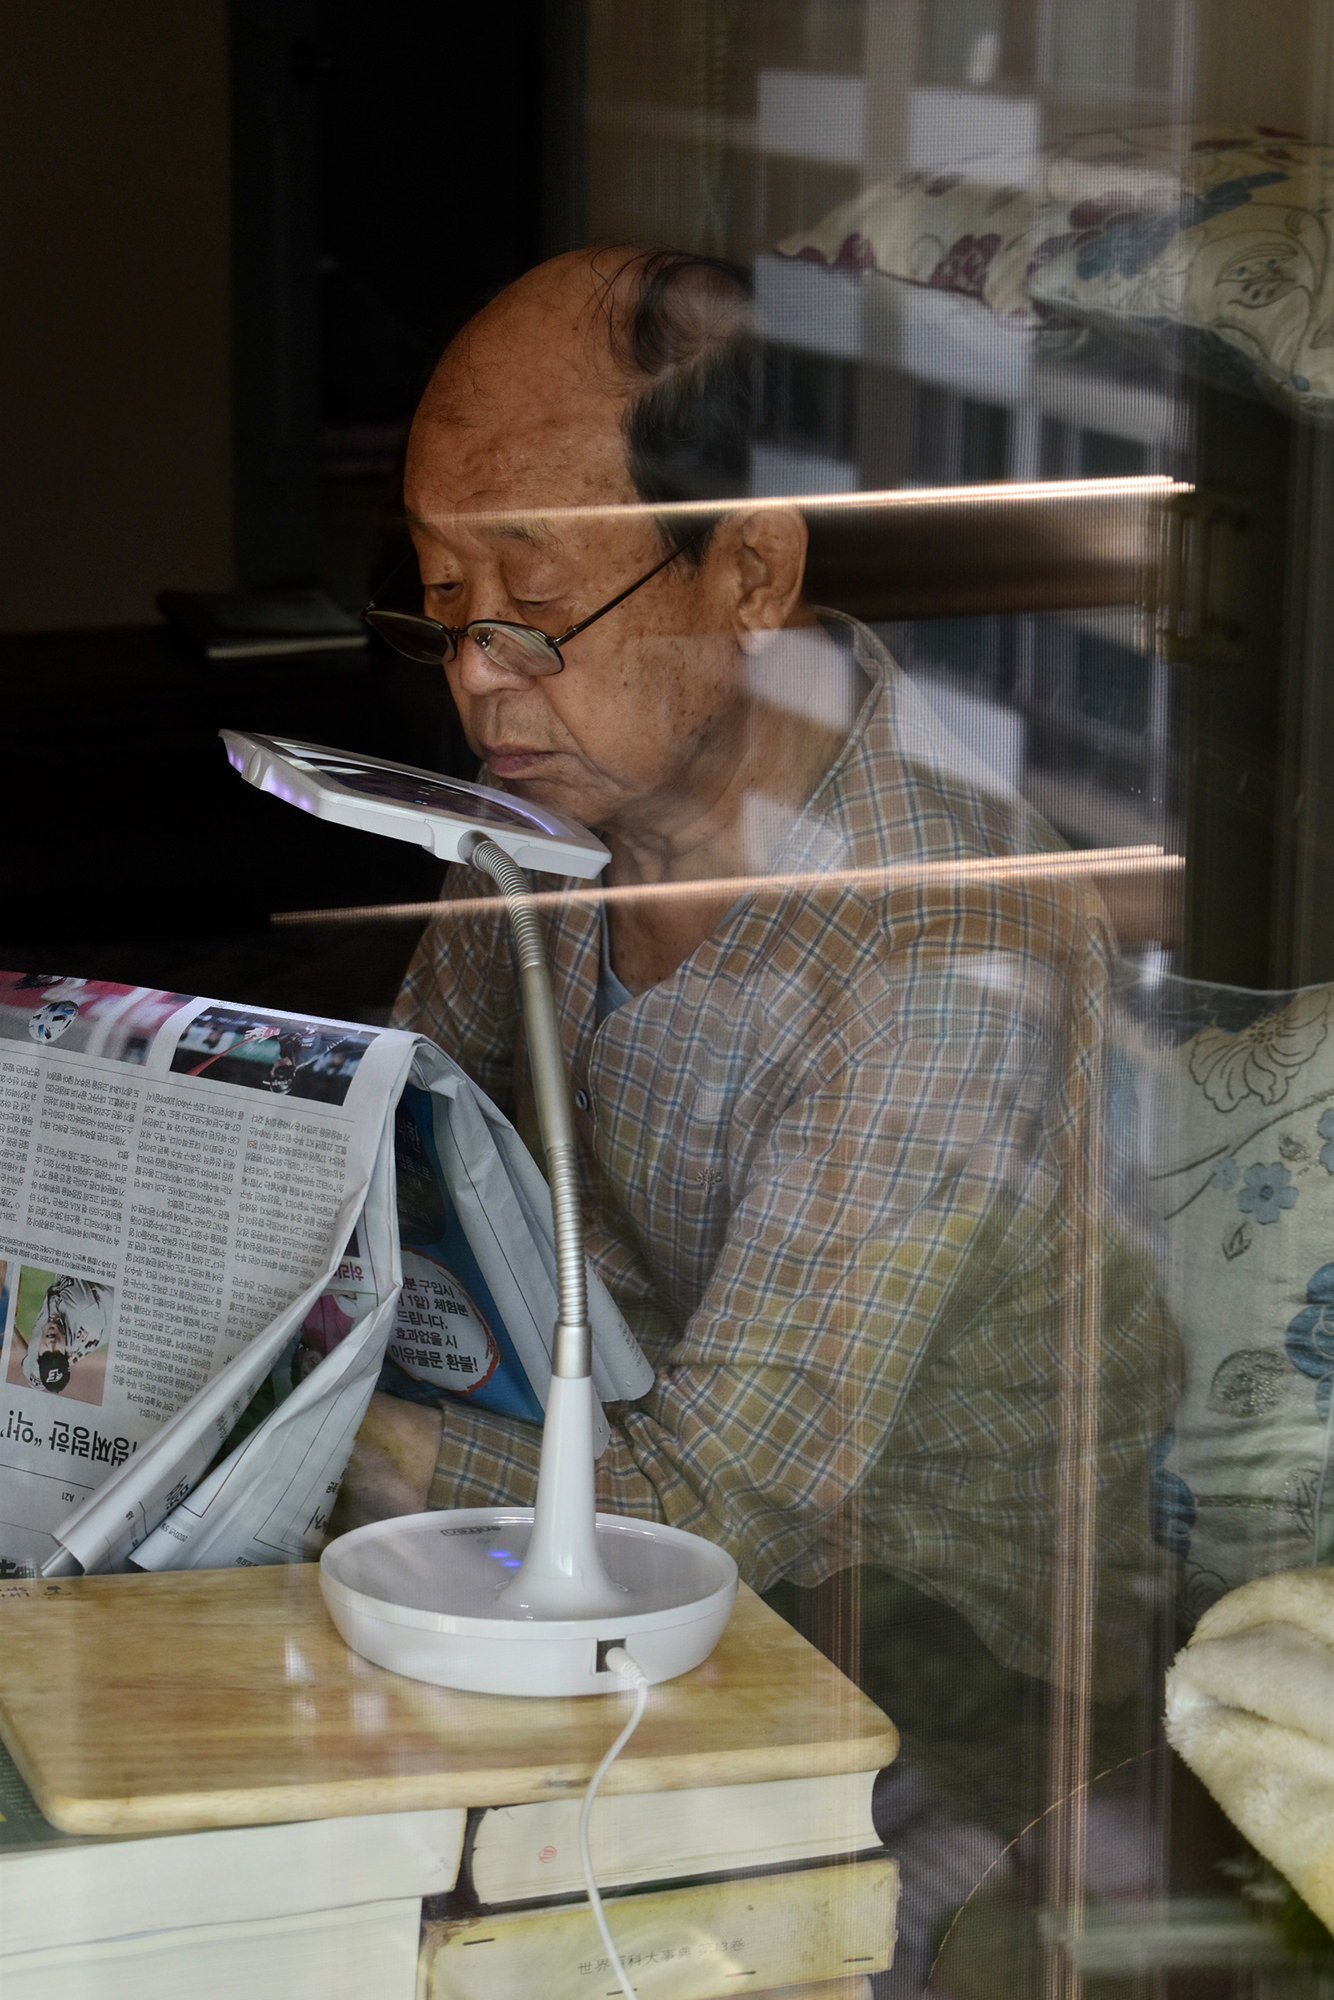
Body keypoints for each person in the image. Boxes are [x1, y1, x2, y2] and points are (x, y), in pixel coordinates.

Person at [339, 247, 1177, 1742]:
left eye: (533, 603)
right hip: (583, 1508)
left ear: (750, 574)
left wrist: (300, 1431)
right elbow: (373, 1158)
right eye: (439, 597)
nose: (475, 677)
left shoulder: (946, 955)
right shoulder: (549, 804)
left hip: (935, 1657)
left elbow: (701, 1507)